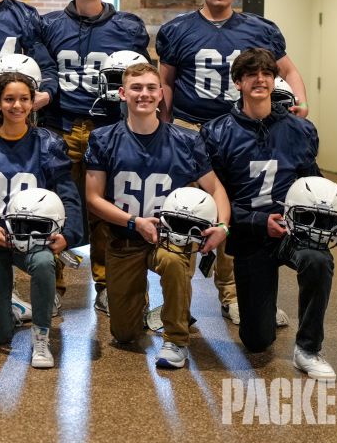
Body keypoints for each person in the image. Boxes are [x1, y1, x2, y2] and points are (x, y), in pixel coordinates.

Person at [155, 0, 307, 325]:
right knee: (187, 212)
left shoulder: (260, 29)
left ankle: (234, 294)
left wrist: (300, 101)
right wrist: (165, 126)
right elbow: (167, 81)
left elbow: (287, 69)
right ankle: (178, 302)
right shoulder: (179, 29)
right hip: (192, 129)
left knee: (235, 211)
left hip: (240, 132)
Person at [200, 48, 337, 379]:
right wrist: (257, 221)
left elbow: (314, 181)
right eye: (252, 74)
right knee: (257, 342)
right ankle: (264, 309)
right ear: (238, 82)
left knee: (318, 260)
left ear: (274, 81)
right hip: (250, 236)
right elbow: (214, 199)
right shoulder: (216, 133)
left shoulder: (299, 130)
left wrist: (335, 215)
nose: (260, 79)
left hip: (293, 231)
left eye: (267, 74)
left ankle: (308, 349)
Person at [83, 62, 230, 369]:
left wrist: (222, 227)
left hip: (170, 237)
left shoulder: (186, 140)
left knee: (176, 262)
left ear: (161, 94)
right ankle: (145, 306)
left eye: (151, 88)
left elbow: (216, 189)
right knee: (124, 333)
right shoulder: (103, 138)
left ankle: (176, 339)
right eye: (136, 88)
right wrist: (134, 222)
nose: (144, 94)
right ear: (122, 93)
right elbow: (93, 198)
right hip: (125, 238)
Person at [39, 0, 150, 315]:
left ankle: (105, 283)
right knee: (53, 206)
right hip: (62, 124)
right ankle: (52, 285)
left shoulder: (126, 26)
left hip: (107, 127)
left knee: (107, 209)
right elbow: (45, 68)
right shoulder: (51, 24)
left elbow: (141, 72)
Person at [0, 73, 84, 369]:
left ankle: (41, 336)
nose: (17, 105)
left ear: (33, 103)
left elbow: (68, 194)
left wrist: (69, 234)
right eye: (9, 99)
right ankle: (13, 309)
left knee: (43, 263)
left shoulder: (48, 144)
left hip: (34, 237)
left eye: (24, 99)